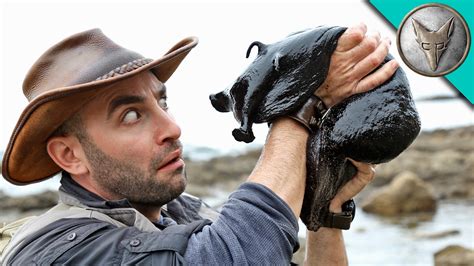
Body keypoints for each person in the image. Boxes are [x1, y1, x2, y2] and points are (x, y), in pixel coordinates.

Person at [1, 23, 397, 265]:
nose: (172, 127)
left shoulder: (186, 214)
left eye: (162, 101)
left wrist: (325, 214)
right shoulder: (59, 253)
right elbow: (234, 257)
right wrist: (302, 103)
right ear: (69, 155)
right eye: (131, 115)